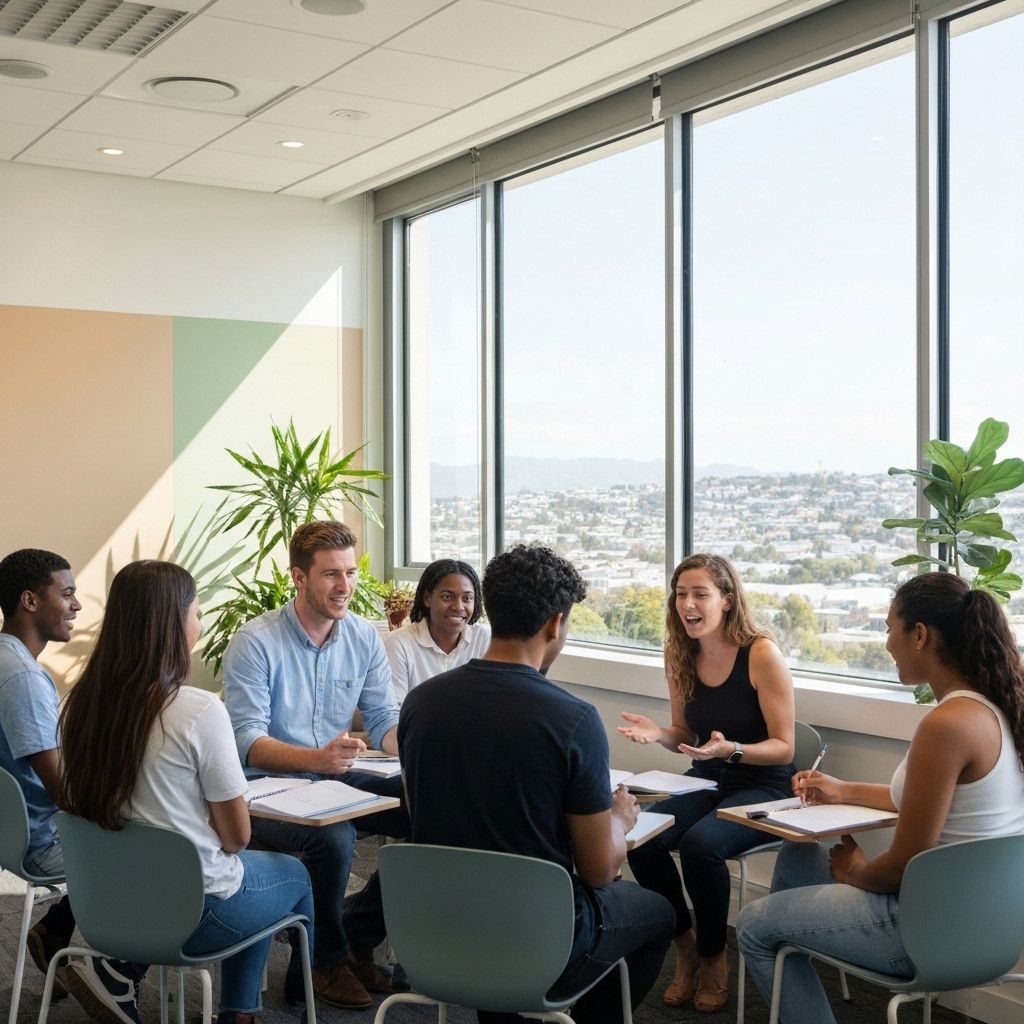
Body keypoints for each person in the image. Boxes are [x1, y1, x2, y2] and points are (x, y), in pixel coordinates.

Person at [399, 544, 674, 1024]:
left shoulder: (420, 704)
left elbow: (420, 812)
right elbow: (598, 871)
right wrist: (618, 819)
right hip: (538, 939)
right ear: (555, 624)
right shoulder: (572, 720)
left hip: (436, 927)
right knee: (658, 915)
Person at [736, 572, 1024, 1024]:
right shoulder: (998, 709)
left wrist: (854, 872)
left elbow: (902, 865)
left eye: (890, 628)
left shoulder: (946, 726)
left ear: (921, 635)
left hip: (917, 930)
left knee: (755, 926)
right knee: (800, 851)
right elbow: (931, 802)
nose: (887, 643)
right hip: (992, 930)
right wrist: (842, 790)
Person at [56, 560, 313, 1024]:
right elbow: (236, 838)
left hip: (108, 904)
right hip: (193, 916)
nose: (200, 623)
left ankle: (121, 969)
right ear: (173, 623)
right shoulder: (196, 711)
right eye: (197, 612)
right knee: (294, 876)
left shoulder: (81, 705)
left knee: (244, 873)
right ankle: (242, 1012)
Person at [223, 520, 408, 1010]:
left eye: (350, 573)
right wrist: (316, 759)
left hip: (334, 777)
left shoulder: (363, 638)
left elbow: (384, 717)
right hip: (266, 791)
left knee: (432, 808)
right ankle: (323, 963)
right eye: (330, 574)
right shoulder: (255, 641)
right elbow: (246, 742)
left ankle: (355, 935)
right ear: (298, 578)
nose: (344, 586)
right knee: (332, 838)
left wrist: (413, 748)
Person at [619, 552, 796, 1012]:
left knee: (701, 846)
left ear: (728, 600)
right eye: (681, 594)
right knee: (639, 834)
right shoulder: (679, 651)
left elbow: (785, 746)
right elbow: (685, 735)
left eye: (700, 593)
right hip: (708, 777)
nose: (687, 604)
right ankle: (686, 944)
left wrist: (732, 749)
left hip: (766, 783)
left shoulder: (761, 653)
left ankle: (715, 958)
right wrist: (658, 733)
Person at [0, 549, 83, 1000]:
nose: (76, 606)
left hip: (12, 833)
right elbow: (66, 793)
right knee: (167, 839)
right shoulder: (23, 678)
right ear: (31, 601)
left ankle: (55, 927)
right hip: (41, 842)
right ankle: (118, 971)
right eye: (67, 593)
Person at [383, 558, 490, 703]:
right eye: (447, 597)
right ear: (427, 598)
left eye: (467, 598)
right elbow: (395, 710)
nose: (458, 607)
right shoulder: (399, 643)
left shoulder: (485, 638)